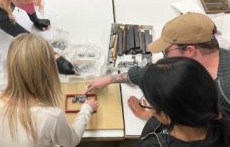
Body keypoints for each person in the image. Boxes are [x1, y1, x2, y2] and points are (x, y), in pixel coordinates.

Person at [115, 57, 230, 147]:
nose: (147, 104)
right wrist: (146, 113)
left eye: (149, 102)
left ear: (167, 114)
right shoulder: (202, 107)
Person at [86, 12, 230, 118]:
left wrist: (150, 115)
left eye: (166, 51)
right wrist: (108, 79)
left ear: (190, 50)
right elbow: (155, 72)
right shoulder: (198, 60)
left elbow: (199, 127)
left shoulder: (223, 91)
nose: (164, 57)